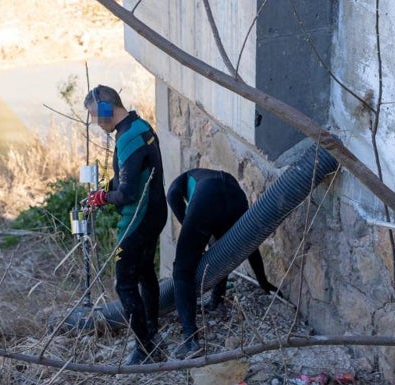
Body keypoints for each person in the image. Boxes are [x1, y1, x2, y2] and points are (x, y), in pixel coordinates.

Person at [83, 85, 168, 365]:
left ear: (107, 108)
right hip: (155, 213)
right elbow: (131, 179)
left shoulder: (128, 138)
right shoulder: (140, 126)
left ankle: (145, 350)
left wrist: (103, 197)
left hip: (137, 219)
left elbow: (129, 193)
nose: (96, 122)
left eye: (97, 115)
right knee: (145, 274)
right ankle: (152, 333)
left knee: (125, 284)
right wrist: (106, 190)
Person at [167, 168, 279, 359]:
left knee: (182, 270)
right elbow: (249, 242)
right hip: (236, 197)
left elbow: (174, 200)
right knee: (223, 249)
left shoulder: (178, 186)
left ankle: (190, 340)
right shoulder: (204, 176)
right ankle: (216, 302)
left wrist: (192, 234)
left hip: (207, 198)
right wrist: (263, 281)